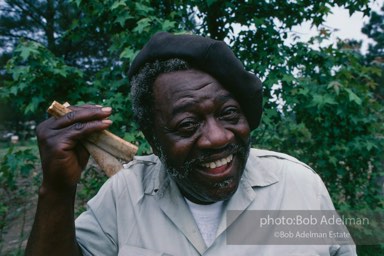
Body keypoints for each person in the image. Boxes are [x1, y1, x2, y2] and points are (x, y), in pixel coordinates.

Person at [26, 32, 356, 255]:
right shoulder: (124, 196)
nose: (217, 137)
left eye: (229, 114)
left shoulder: (297, 186)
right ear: (154, 140)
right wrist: (56, 190)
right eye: (187, 124)